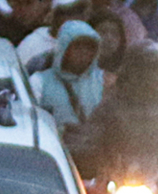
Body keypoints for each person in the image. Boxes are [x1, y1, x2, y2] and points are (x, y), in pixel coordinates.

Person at [28, 19, 106, 148]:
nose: (83, 53)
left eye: (89, 48)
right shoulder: (39, 81)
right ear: (64, 48)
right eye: (78, 47)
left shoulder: (104, 81)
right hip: (54, 150)